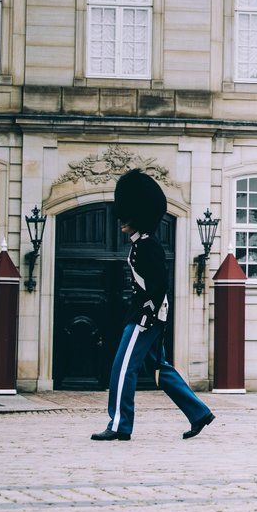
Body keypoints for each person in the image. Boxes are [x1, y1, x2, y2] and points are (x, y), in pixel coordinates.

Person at [92, 170, 214, 442]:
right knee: (160, 370)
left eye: (127, 217)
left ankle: (120, 424)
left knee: (122, 368)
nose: (122, 221)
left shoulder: (149, 246)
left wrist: (146, 316)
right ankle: (199, 412)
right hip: (147, 315)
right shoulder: (140, 245)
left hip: (145, 317)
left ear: (139, 217)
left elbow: (159, 286)